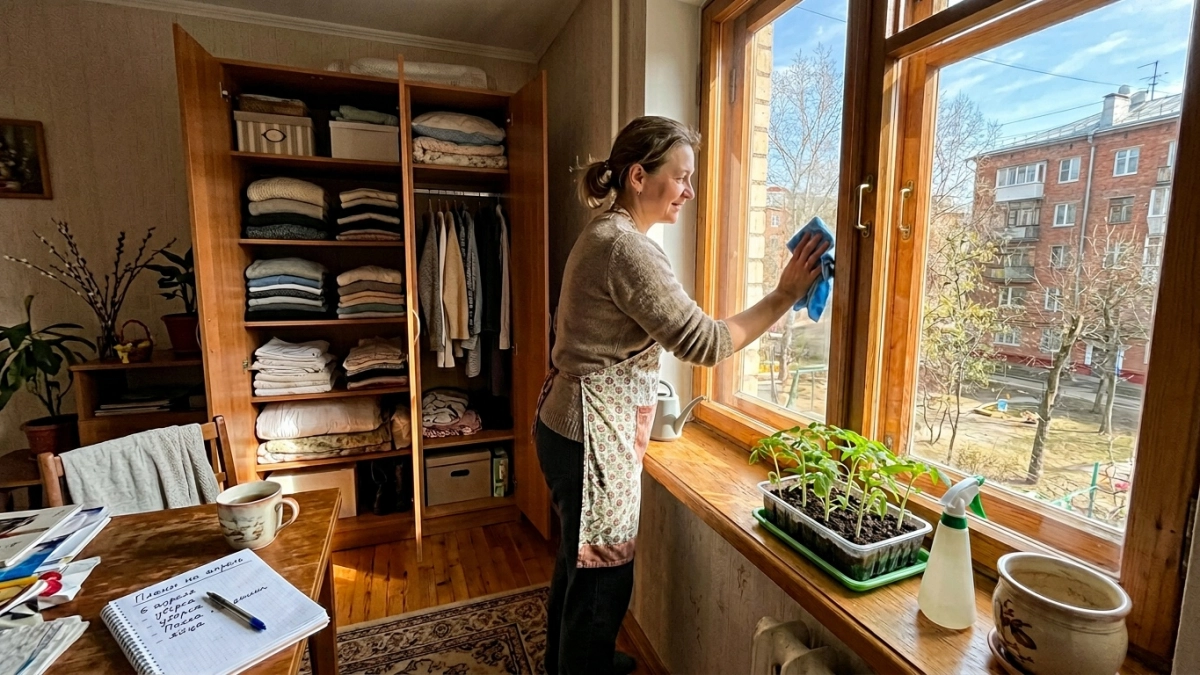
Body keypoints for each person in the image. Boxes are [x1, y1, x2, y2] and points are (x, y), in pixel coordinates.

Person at [534, 116, 829, 675]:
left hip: (568, 427)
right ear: (639, 176)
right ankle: (583, 666)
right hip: (590, 441)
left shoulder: (606, 233)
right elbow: (708, 342)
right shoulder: (627, 249)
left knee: (578, 567)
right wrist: (786, 293)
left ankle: (567, 664)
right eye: (682, 177)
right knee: (602, 586)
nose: (690, 192)